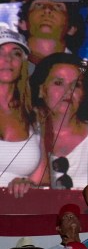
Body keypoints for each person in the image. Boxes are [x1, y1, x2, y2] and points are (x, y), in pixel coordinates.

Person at [29, 52, 88, 190]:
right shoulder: (26, 138)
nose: (68, 91)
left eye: (76, 85)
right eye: (58, 83)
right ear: (41, 90)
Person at [0, 27, 43, 190]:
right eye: (0, 51)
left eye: (16, 53)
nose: (8, 59)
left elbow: (43, 178)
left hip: (20, 209)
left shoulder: (36, 114)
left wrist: (28, 184)